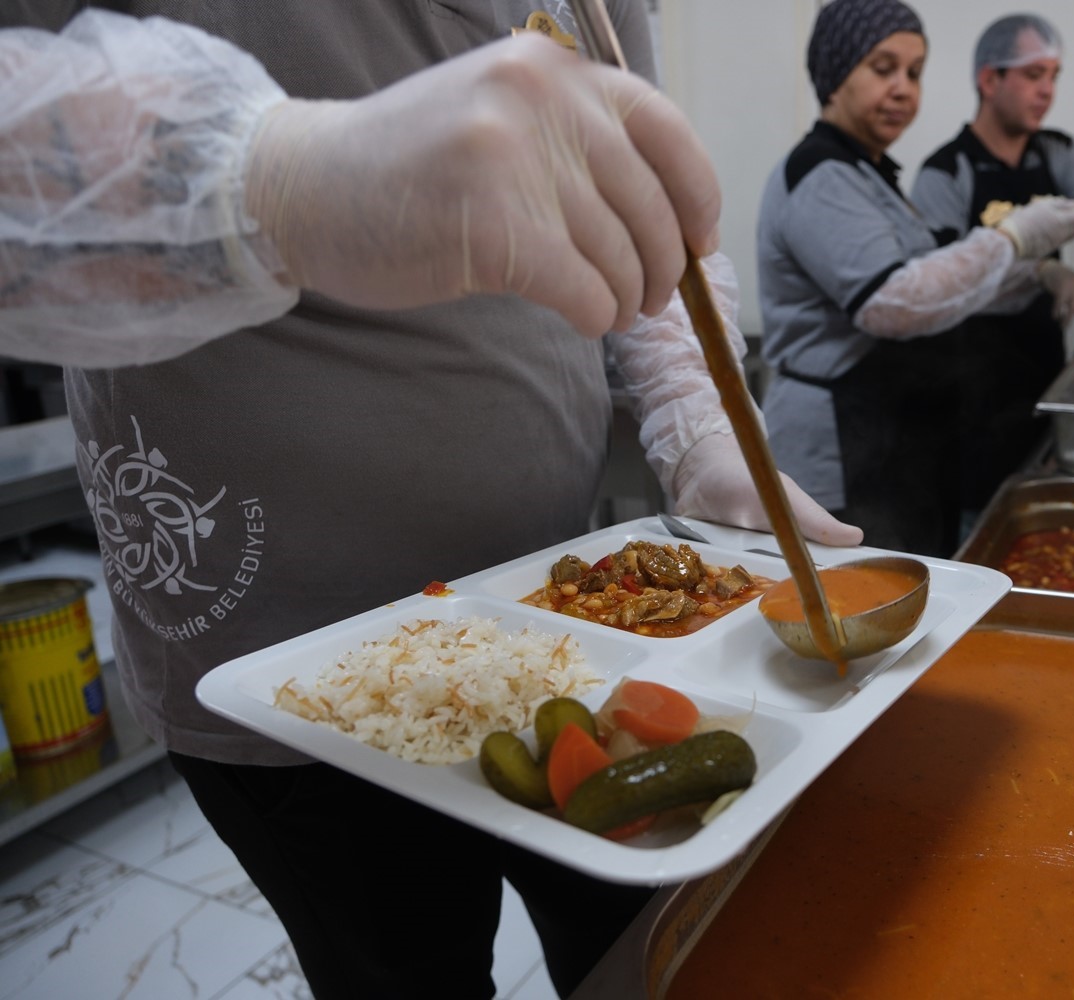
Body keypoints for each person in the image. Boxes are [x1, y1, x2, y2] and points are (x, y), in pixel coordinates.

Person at [0, 5, 862, 998]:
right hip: (279, 645)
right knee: (400, 970)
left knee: (645, 950)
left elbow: (637, 186)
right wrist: (267, 181)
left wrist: (693, 420)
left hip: (548, 621)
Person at [757, 0, 1074, 558]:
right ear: (837, 71)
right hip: (838, 443)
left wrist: (1040, 272)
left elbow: (943, 279)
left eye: (914, 72)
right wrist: (1014, 237)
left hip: (891, 437)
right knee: (849, 602)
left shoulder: (868, 173)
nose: (903, 89)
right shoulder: (821, 174)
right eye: (882, 68)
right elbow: (893, 300)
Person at [910, 13, 1074, 529]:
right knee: (981, 526)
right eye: (1034, 75)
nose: (1048, 91)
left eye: (1055, 76)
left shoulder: (1056, 152)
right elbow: (937, 284)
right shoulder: (946, 171)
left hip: (1042, 373)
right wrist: (1044, 272)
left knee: (1041, 521)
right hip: (968, 390)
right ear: (989, 80)